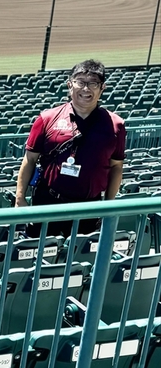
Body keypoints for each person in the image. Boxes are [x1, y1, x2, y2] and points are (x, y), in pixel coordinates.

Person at [15, 60, 125, 237]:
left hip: (89, 207)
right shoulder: (47, 118)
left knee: (79, 261)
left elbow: (116, 166)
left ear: (102, 88)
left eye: (93, 83)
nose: (86, 89)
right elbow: (29, 160)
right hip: (48, 202)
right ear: (69, 84)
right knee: (41, 254)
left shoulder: (116, 125)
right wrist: (20, 199)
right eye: (80, 82)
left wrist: (109, 204)